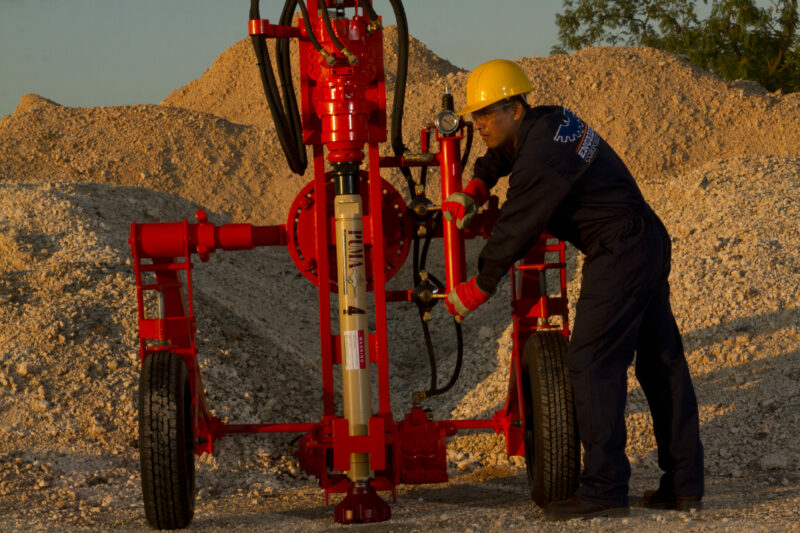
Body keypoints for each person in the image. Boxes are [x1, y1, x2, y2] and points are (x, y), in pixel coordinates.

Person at [441, 59, 704, 520]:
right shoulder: (550, 120)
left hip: (620, 247)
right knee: (662, 363)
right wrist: (477, 185)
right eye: (474, 116)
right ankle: (684, 484)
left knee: (590, 362)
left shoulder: (542, 157)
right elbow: (504, 153)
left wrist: (479, 285)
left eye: (487, 114)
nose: (478, 124)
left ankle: (604, 488)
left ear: (517, 107)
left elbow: (518, 224)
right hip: (645, 238)